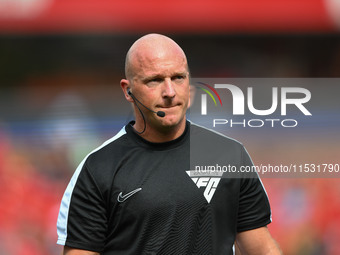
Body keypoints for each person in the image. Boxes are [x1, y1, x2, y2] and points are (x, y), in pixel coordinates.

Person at [56, 33, 282, 255]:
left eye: (178, 78)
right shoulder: (98, 169)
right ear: (128, 90)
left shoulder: (229, 155)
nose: (170, 92)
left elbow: (261, 248)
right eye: (154, 80)